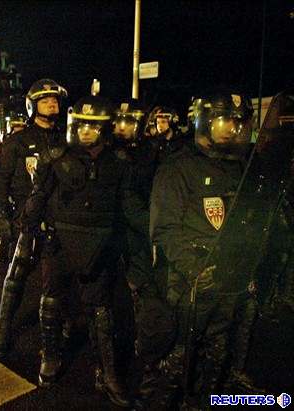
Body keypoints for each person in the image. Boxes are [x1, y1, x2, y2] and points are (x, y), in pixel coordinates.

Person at [20, 94, 144, 407]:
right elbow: (37, 198)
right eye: (82, 125)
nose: (86, 131)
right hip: (59, 244)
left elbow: (130, 207)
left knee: (100, 312)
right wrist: (26, 230)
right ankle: (50, 356)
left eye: (93, 126)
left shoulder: (118, 164)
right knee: (51, 301)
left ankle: (107, 371)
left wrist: (154, 232)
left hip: (99, 247)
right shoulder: (55, 156)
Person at [150, 92, 258, 408]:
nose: (234, 129)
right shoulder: (179, 168)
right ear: (206, 121)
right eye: (226, 121)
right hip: (191, 278)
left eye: (239, 122)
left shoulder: (241, 167)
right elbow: (164, 228)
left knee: (218, 346)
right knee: (180, 354)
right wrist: (192, 268)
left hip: (229, 272)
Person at [0, 79, 67, 358]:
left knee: (55, 285)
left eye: (54, 100)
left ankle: (52, 346)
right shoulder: (17, 142)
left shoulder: (65, 140)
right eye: (45, 100)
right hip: (27, 220)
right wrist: (2, 217)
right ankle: (2, 330)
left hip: (58, 222)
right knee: (15, 279)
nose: (52, 103)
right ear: (33, 106)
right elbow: (0, 183)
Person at [112, 98, 176, 399]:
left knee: (150, 299)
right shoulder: (114, 154)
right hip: (127, 235)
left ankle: (150, 364)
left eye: (128, 122)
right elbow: (129, 201)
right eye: (119, 122)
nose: (121, 128)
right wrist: (155, 226)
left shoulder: (153, 152)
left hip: (145, 236)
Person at [0, 112, 27, 264]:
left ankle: (11, 255)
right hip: (11, 187)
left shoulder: (17, 142)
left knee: (14, 224)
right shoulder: (7, 143)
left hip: (17, 189)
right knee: (7, 224)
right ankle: (5, 252)